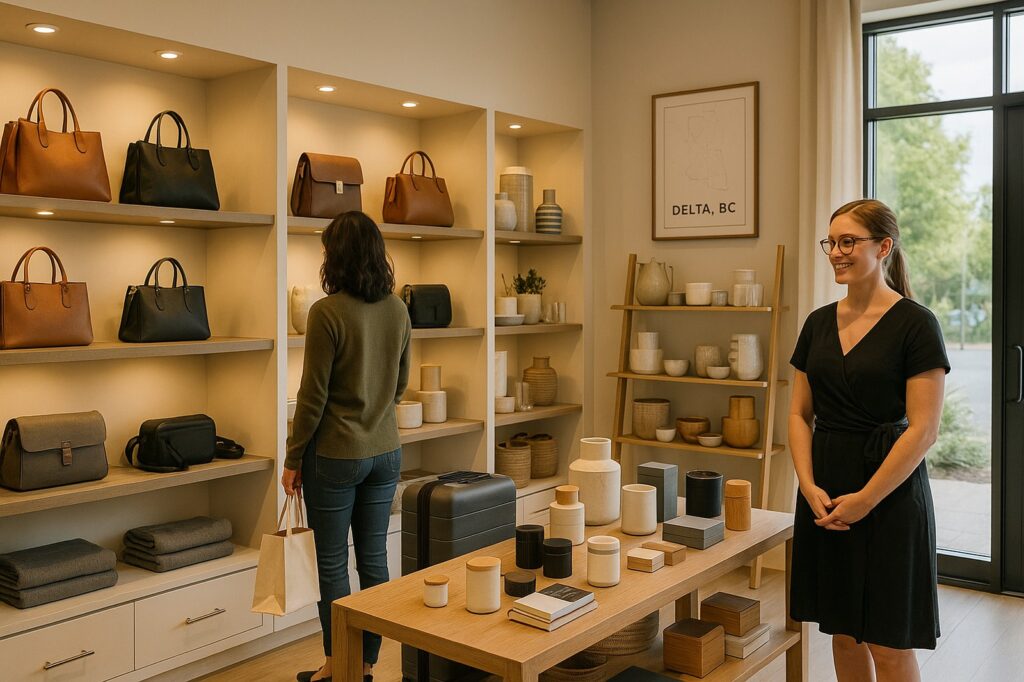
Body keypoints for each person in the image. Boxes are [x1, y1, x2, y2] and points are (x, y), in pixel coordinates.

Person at [788, 199, 949, 681]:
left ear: (884, 247)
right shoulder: (817, 323)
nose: (837, 251)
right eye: (831, 242)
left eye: (848, 241)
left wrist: (866, 500)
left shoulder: (916, 324)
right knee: (842, 631)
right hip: (826, 490)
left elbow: (924, 429)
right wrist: (807, 484)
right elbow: (798, 414)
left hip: (890, 493)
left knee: (888, 639)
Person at [283, 211, 411, 682]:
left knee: (333, 566)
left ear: (336, 257)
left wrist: (293, 459)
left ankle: (341, 667)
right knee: (374, 562)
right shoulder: (398, 309)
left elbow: (311, 398)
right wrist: (374, 412)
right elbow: (400, 385)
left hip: (335, 456)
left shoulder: (327, 312)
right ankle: (366, 664)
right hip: (386, 452)